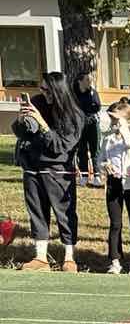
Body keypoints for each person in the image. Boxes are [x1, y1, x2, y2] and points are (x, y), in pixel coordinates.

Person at [13, 72, 84, 272]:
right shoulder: (37, 102)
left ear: (57, 90)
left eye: (47, 89)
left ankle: (69, 257)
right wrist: (22, 119)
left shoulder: (73, 114)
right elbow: (20, 132)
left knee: (65, 213)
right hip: (32, 166)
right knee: (37, 212)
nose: (42, 93)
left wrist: (42, 124)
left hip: (57, 170)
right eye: (41, 88)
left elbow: (60, 146)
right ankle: (40, 257)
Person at [100, 98, 130, 274]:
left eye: (117, 119)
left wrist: (124, 129)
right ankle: (115, 260)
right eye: (113, 120)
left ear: (129, 121)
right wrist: (105, 165)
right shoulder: (108, 139)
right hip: (114, 183)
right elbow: (100, 159)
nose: (114, 123)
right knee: (115, 223)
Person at [72, 69, 103, 187]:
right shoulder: (74, 93)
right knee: (82, 150)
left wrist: (91, 94)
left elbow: (97, 106)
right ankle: (84, 176)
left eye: (90, 79)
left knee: (95, 149)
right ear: (80, 81)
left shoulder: (93, 92)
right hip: (79, 124)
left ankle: (97, 176)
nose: (90, 82)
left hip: (92, 123)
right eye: (87, 80)